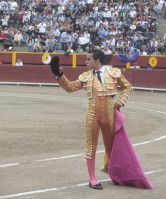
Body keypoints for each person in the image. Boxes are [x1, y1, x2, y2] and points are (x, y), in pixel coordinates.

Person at [49, 49, 132, 190]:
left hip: (109, 115)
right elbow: (69, 87)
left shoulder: (113, 73)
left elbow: (127, 87)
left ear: (97, 60)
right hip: (92, 115)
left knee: (111, 146)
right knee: (91, 147)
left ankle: (114, 174)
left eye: (88, 59)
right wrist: (59, 75)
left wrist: (120, 101)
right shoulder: (86, 76)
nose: (85, 62)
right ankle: (92, 178)